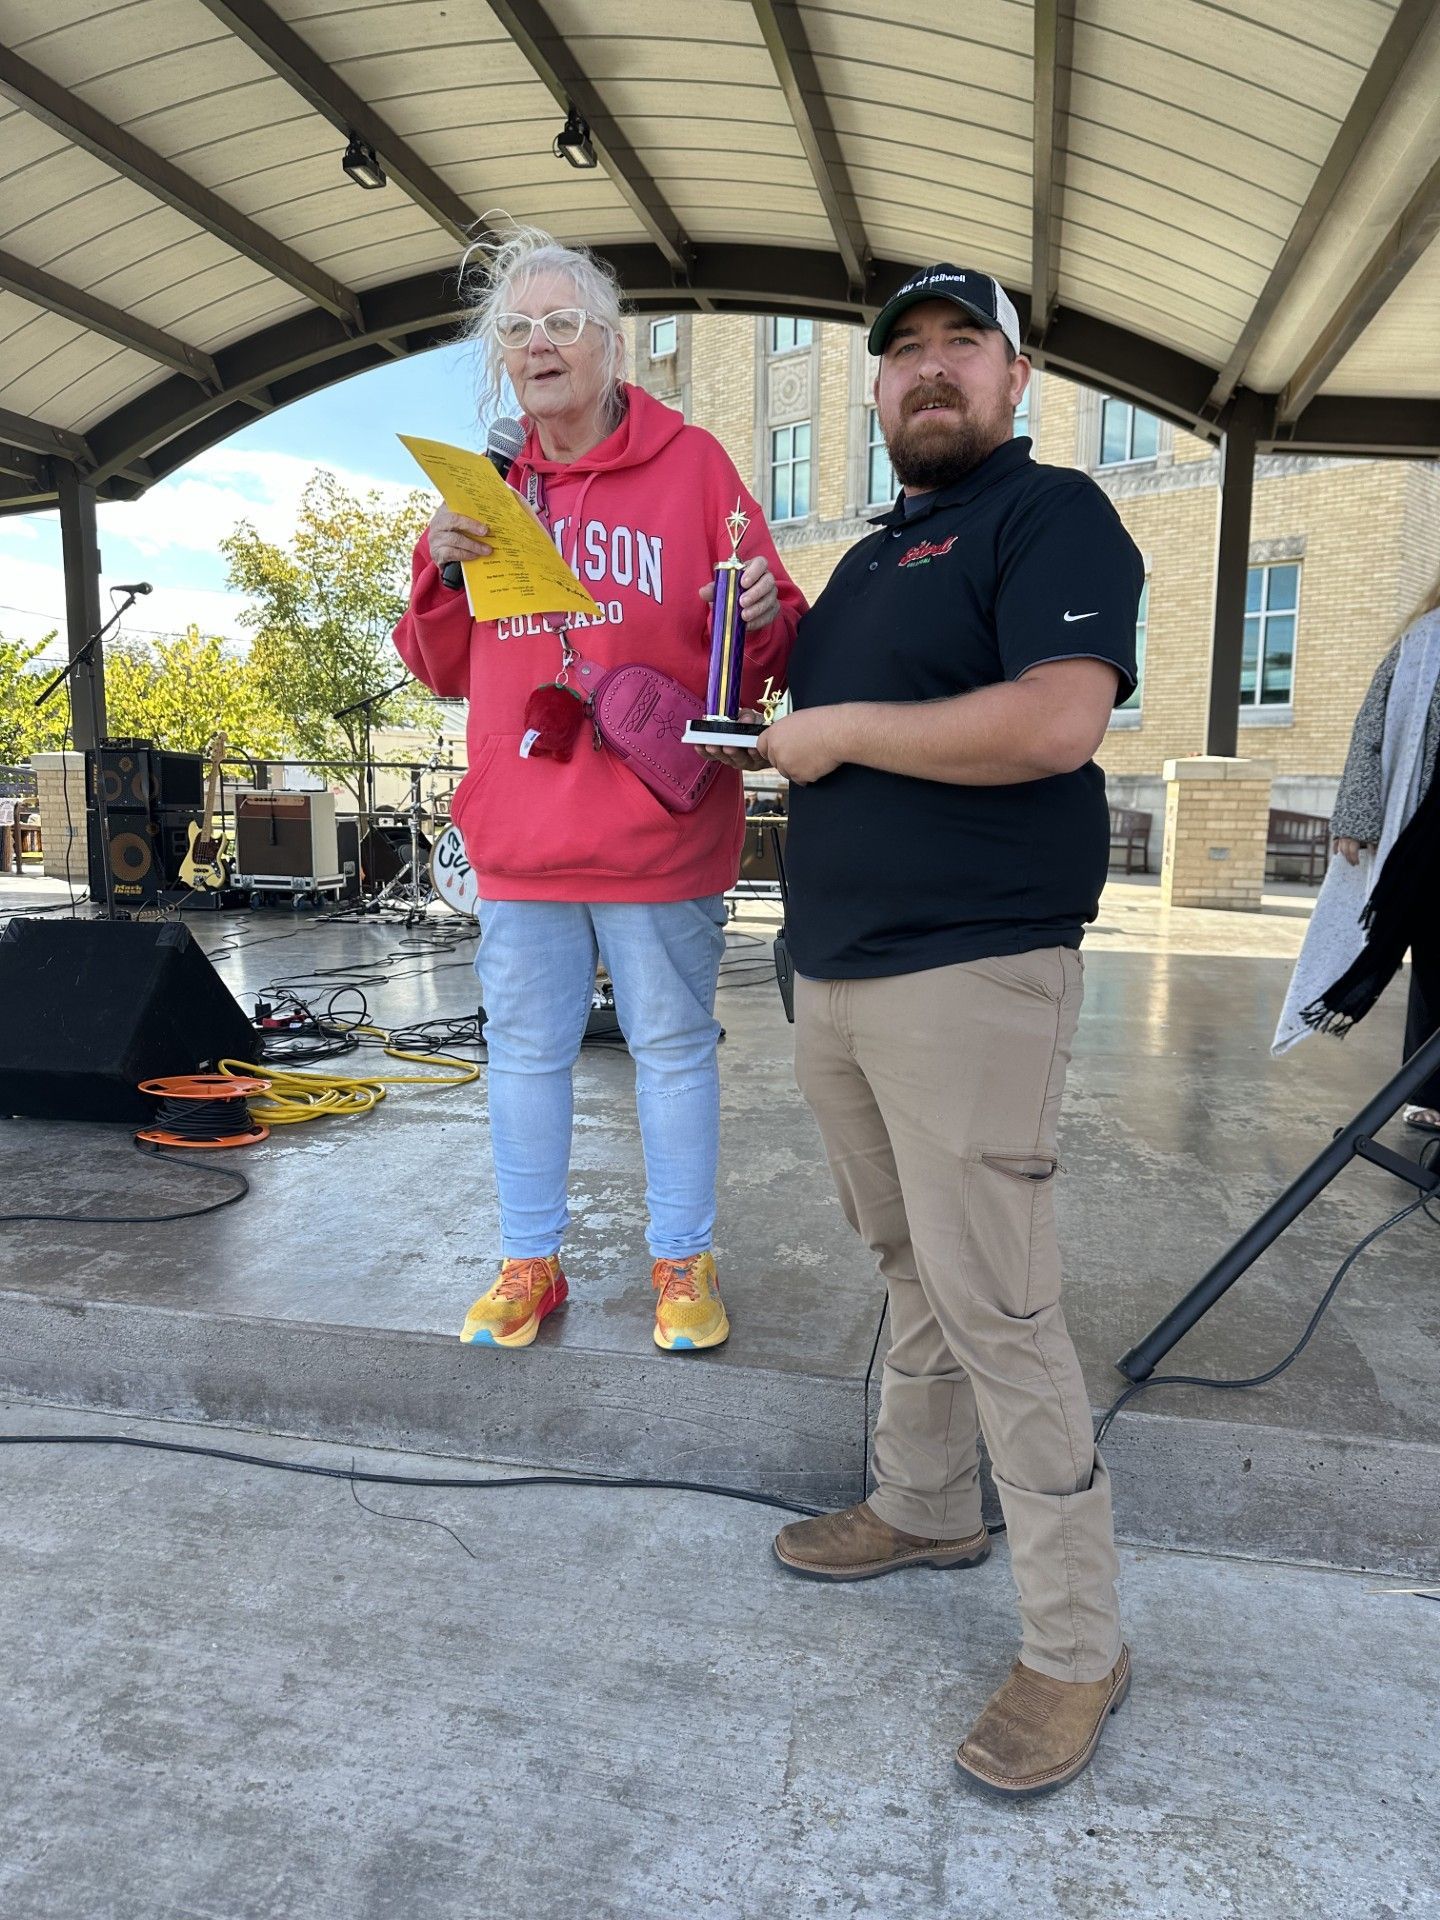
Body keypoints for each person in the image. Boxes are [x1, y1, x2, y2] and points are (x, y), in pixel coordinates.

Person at [705, 264, 1142, 1796]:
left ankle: (1079, 1645)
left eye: (965, 347)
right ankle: (924, 1499)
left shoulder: (1052, 518)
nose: (931, 372)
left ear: (1016, 382)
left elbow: (1054, 722)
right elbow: (806, 732)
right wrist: (775, 645)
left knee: (999, 1300)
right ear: (877, 395)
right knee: (911, 1267)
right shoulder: (879, 559)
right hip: (831, 973)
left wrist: (831, 729)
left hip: (971, 974)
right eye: (905, 356)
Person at [394, 224, 802, 1353]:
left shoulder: (696, 465)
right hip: (524, 835)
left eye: (562, 322)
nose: (540, 345)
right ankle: (531, 1261)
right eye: (516, 328)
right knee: (524, 1052)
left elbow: (761, 646)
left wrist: (767, 621)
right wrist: (435, 563)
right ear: (499, 358)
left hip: (656, 833)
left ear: (612, 344)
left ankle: (681, 1261)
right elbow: (432, 663)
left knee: (672, 1048)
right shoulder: (479, 491)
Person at [1274, 574, 1440, 1119]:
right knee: (1435, 962)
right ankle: (1428, 1094)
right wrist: (1358, 816)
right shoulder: (1422, 643)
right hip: (1428, 833)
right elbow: (1373, 727)